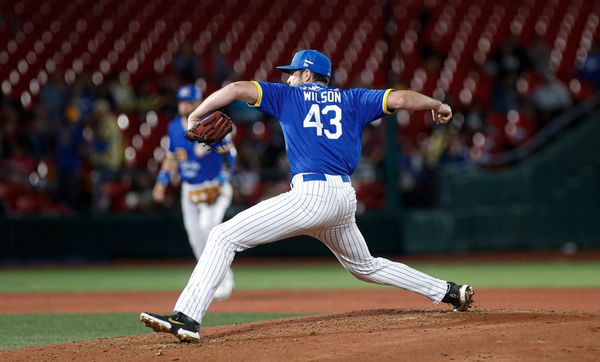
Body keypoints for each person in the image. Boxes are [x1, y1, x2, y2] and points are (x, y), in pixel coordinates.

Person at [141, 50, 474, 342]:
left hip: (311, 195)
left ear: (307, 74)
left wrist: (196, 114)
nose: (287, 80)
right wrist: (438, 104)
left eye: (292, 73)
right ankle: (448, 291)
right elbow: (401, 99)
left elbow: (234, 89)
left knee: (223, 236)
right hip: (343, 198)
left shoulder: (290, 98)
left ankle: (186, 317)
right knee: (366, 266)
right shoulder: (353, 99)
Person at [152, 84, 236, 300]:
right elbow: (172, 157)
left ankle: (225, 281)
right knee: (195, 237)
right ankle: (210, 280)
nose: (185, 105)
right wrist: (161, 182)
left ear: (198, 103)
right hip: (189, 188)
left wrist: (222, 180)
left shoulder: (211, 123)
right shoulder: (173, 127)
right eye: (182, 101)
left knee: (209, 228)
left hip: (214, 186)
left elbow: (229, 155)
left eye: (189, 101)